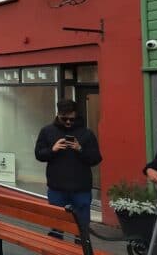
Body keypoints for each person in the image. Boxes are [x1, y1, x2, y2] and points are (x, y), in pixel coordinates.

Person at [35, 99, 102, 235]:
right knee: (57, 227)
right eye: (64, 119)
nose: (68, 122)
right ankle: (55, 246)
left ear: (76, 115)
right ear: (58, 115)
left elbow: (96, 159)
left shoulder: (86, 133)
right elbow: (39, 154)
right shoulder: (47, 131)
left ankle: (80, 246)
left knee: (82, 229)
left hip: (81, 189)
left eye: (71, 119)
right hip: (57, 188)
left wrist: (80, 149)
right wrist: (52, 150)